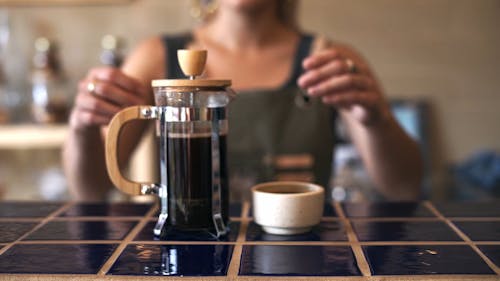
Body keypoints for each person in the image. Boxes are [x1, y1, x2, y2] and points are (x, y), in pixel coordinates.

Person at [62, 0, 423, 202]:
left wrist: (377, 120)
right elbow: (90, 188)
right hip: (190, 252)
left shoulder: (332, 58)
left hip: (303, 252)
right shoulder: (156, 57)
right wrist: (81, 129)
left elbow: (404, 186)